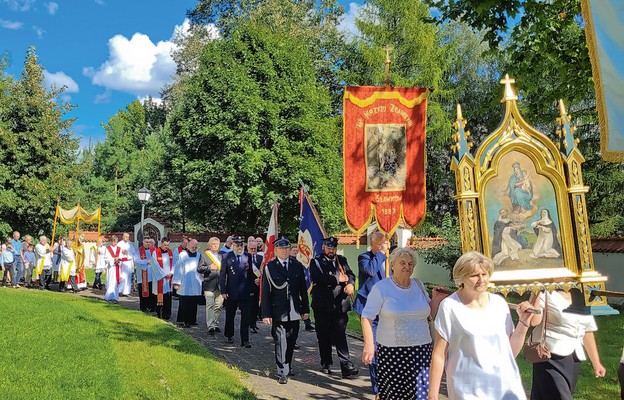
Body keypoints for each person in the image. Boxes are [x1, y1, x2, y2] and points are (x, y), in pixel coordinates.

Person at [429, 251, 539, 400]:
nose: (481, 280)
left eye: (485, 274)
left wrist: (524, 322)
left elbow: (510, 351)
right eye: (474, 275)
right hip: (468, 389)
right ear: (461, 278)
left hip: (505, 386)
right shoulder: (450, 306)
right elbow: (439, 353)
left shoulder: (499, 303)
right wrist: (433, 394)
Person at [361, 247, 446, 400]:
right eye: (402, 263)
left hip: (421, 351)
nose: (407, 266)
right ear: (392, 265)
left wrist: (437, 299)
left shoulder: (418, 285)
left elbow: (428, 314)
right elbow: (367, 316)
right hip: (392, 353)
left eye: (411, 264)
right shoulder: (382, 288)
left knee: (421, 394)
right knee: (395, 395)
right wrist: (369, 345)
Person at [528, 289, 606, 400]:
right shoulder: (545, 292)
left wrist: (596, 362)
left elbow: (587, 330)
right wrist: (535, 293)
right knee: (561, 396)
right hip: (549, 356)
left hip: (573, 358)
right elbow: (533, 322)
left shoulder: (581, 294)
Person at [261, 237, 310, 384]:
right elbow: (266, 293)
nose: (284, 251)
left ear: (289, 250)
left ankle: (287, 364)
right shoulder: (269, 267)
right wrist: (266, 314)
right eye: (281, 249)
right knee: (280, 341)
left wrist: (305, 310)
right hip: (278, 311)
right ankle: (282, 370)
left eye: (286, 248)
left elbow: (303, 290)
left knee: (291, 340)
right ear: (275, 250)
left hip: (294, 310)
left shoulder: (297, 265)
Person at [310, 237, 358, 378]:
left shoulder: (341, 260)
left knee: (340, 335)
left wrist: (350, 283)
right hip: (322, 305)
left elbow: (350, 274)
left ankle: (346, 365)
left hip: (339, 305)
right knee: (323, 335)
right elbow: (318, 278)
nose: (331, 250)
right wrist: (338, 279)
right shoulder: (316, 261)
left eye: (334, 248)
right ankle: (326, 362)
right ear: (323, 247)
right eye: (329, 247)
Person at [353, 231, 390, 396]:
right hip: (369, 310)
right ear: (373, 244)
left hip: (388, 310)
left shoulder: (391, 261)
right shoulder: (365, 258)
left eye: (386, 244)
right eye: (381, 244)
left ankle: (388, 382)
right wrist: (381, 253)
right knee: (373, 348)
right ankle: (378, 389)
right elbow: (370, 271)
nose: (384, 247)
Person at [220, 236, 256, 347]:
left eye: (241, 245)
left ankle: (245, 339)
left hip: (245, 291)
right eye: (237, 245)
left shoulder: (247, 256)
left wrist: (252, 288)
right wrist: (223, 290)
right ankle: (229, 334)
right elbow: (222, 275)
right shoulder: (226, 256)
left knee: (246, 316)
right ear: (233, 245)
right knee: (230, 315)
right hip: (231, 291)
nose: (239, 247)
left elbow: (250, 273)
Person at [197, 237, 224, 335]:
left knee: (218, 305)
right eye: (213, 244)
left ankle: (215, 323)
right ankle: (210, 326)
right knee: (210, 305)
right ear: (209, 245)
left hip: (220, 284)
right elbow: (199, 268)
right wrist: (209, 267)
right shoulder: (204, 255)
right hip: (209, 283)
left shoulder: (222, 255)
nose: (215, 245)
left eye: (217, 244)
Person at [173, 239, 202, 327]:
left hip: (196, 281)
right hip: (185, 281)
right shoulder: (182, 255)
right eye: (192, 246)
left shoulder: (199, 255)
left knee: (194, 302)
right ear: (188, 246)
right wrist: (176, 282)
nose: (194, 248)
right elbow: (178, 268)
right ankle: (184, 320)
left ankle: (192, 320)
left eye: (195, 247)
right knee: (185, 301)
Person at [152, 237, 174, 320]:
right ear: (161, 243)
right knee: (160, 295)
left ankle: (167, 313)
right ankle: (159, 313)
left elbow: (174, 263)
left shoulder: (170, 252)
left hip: (168, 278)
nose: (166, 247)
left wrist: (171, 273)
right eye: (165, 245)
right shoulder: (156, 252)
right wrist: (164, 274)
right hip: (160, 278)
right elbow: (155, 265)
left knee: (168, 296)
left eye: (168, 245)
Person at [135, 238, 156, 313]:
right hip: (143, 274)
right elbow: (136, 260)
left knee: (151, 292)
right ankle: (143, 307)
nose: (147, 243)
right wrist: (147, 261)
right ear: (143, 242)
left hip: (151, 275)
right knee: (143, 291)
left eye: (149, 242)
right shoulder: (138, 251)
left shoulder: (153, 250)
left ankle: (152, 307)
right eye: (146, 242)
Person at [246, 239, 263, 333]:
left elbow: (264, 271)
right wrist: (253, 280)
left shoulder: (261, 258)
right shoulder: (245, 258)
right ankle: (250, 323)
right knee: (250, 306)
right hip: (249, 286)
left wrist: (260, 279)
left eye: (255, 248)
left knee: (257, 306)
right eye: (251, 248)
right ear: (248, 248)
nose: (253, 250)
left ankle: (254, 323)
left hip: (259, 286)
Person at [104, 235, 122, 303]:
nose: (115, 243)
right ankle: (109, 297)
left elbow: (121, 256)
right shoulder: (108, 248)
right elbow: (106, 258)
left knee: (116, 282)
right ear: (111, 241)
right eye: (114, 242)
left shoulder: (119, 248)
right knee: (111, 281)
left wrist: (119, 260)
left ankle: (115, 297)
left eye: (116, 242)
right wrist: (114, 260)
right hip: (111, 267)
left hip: (117, 267)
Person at [117, 232, 135, 297]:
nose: (127, 238)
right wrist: (122, 254)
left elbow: (133, 253)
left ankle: (126, 292)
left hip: (128, 262)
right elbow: (117, 253)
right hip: (122, 262)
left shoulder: (130, 244)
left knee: (128, 277)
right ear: (123, 237)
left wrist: (128, 253)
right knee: (122, 277)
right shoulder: (119, 244)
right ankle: (119, 290)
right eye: (126, 237)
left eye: (128, 237)